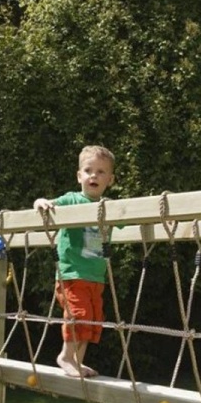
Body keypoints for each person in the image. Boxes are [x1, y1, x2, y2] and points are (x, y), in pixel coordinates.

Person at [34, 145, 116, 378]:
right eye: (88, 170)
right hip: (72, 272)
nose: (94, 175)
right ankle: (66, 357)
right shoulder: (72, 199)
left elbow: (132, 220)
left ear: (110, 179)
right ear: (79, 176)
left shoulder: (108, 207)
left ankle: (77, 361)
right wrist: (40, 202)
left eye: (101, 172)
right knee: (79, 315)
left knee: (92, 321)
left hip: (95, 275)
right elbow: (48, 204)